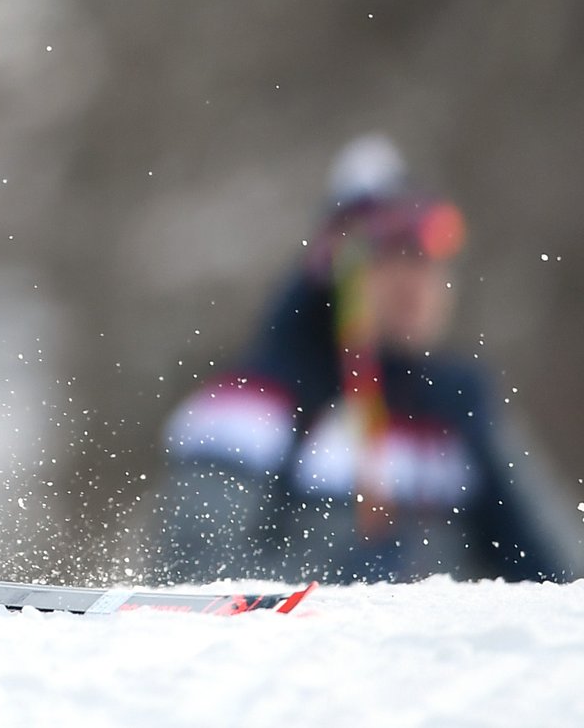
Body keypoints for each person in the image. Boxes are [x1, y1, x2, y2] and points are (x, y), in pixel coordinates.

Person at [154, 134, 580, 585]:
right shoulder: (252, 405)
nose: (414, 282)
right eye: (389, 256)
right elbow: (191, 577)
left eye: (428, 262)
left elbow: (557, 574)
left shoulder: (460, 406)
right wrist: (348, 590)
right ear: (337, 270)